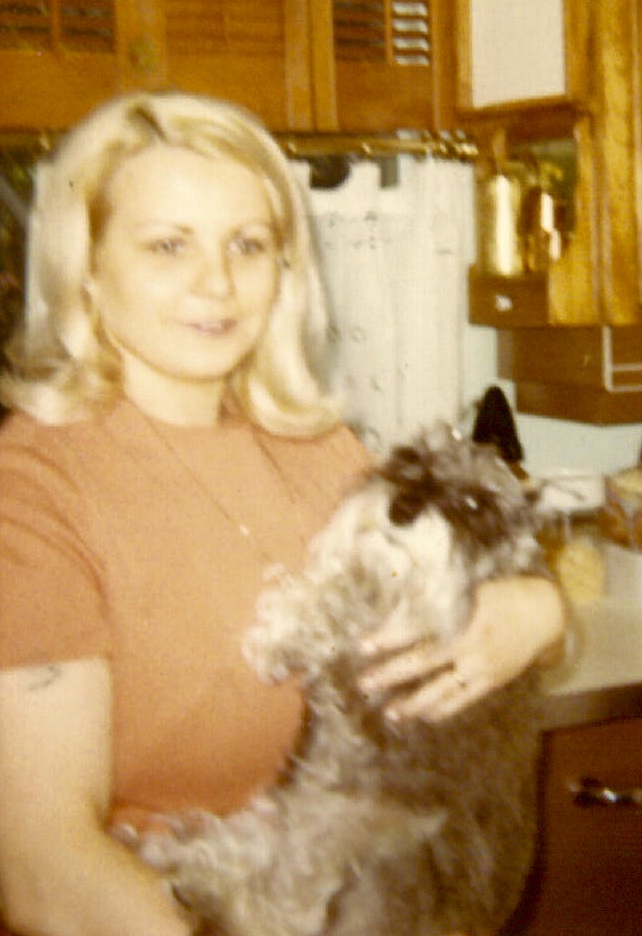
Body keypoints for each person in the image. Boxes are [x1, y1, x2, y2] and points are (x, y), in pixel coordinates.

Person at [0, 91, 566, 936]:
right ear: (86, 264)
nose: (218, 283)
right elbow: (44, 867)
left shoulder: (318, 445)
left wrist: (538, 612)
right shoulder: (36, 490)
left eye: (248, 243)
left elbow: (472, 605)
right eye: (168, 245)